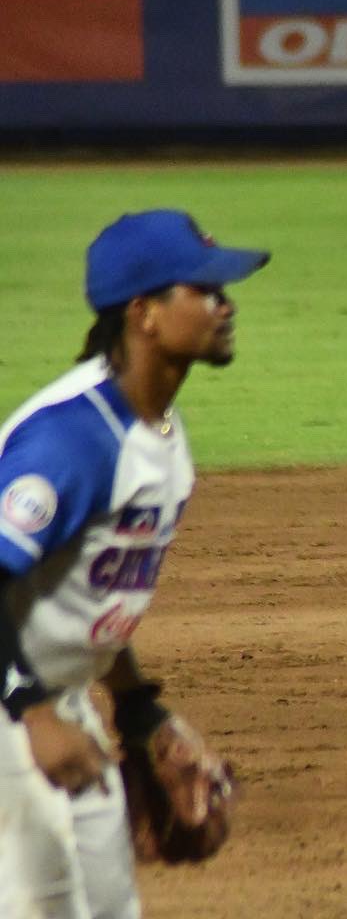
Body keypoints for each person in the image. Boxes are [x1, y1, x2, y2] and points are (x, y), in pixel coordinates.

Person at [0, 210, 267, 918]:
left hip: (56, 703)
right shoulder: (73, 440)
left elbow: (87, 597)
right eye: (204, 290)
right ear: (144, 314)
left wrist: (140, 709)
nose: (226, 305)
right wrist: (31, 715)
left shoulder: (161, 437)